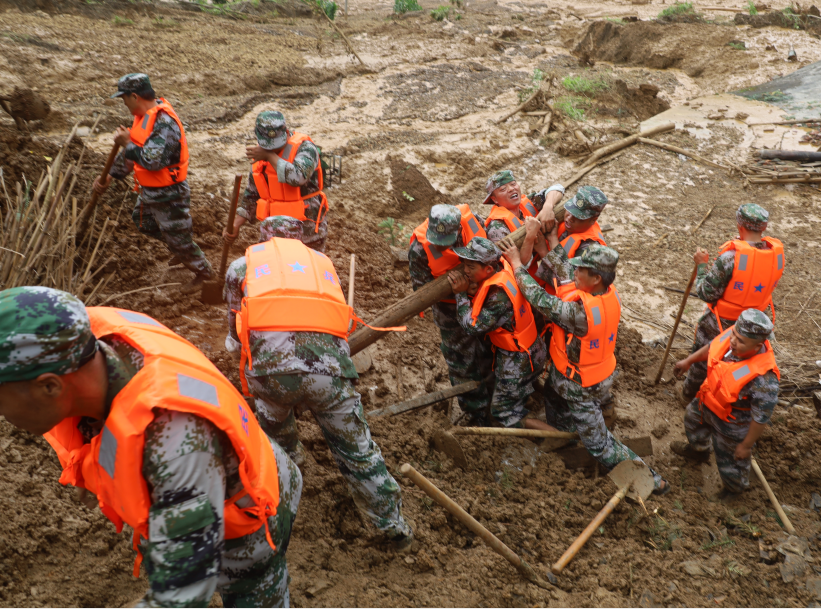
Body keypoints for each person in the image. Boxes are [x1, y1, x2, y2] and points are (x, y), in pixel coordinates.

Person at [0, 286, 301, 607]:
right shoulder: (88, 352)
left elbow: (183, 594)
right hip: (215, 476)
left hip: (254, 517)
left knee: (251, 589)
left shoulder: (173, 442)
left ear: (49, 386)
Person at [225, 216, 413, 550]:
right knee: (358, 452)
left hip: (272, 375)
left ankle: (285, 488)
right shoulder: (323, 265)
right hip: (329, 374)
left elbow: (234, 328)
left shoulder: (243, 266)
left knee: (272, 440)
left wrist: (241, 346)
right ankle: (391, 526)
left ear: (263, 238)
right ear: (302, 239)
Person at [502, 241, 669, 494]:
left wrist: (516, 264)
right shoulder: (606, 293)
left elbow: (539, 298)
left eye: (581, 270)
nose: (574, 273)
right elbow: (566, 270)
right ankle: (565, 438)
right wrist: (545, 242)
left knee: (599, 444)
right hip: (573, 375)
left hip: (582, 386)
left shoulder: (581, 314)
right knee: (554, 399)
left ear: (596, 277)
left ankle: (652, 480)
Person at [93, 73, 212, 289]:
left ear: (135, 96)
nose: (124, 103)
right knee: (143, 222)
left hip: (169, 193)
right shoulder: (142, 118)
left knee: (176, 236)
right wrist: (110, 175)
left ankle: (204, 272)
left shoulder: (164, 123)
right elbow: (134, 153)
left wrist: (127, 143)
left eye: (124, 98)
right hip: (151, 191)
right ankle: (182, 247)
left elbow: (152, 160)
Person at [670, 309, 780, 503]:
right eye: (734, 335)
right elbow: (713, 347)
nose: (734, 342)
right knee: (692, 420)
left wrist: (746, 445)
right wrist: (689, 361)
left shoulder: (764, 379)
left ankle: (734, 490)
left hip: (733, 422)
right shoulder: (733, 339)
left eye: (741, 341)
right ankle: (699, 451)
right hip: (708, 400)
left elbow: (760, 418)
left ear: (757, 346)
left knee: (730, 459)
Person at [680, 203, 784, 401]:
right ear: (763, 228)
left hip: (721, 323)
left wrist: (702, 266)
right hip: (753, 325)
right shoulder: (775, 255)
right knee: (737, 364)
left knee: (705, 361)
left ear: (740, 226)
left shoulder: (730, 258)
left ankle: (688, 397)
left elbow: (705, 293)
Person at [445, 237, 549, 429]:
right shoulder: (504, 269)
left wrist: (460, 294)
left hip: (518, 361)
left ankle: (553, 436)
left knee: (502, 412)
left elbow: (472, 327)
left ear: (488, 270)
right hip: (532, 349)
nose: (465, 271)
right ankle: (521, 399)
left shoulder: (498, 298)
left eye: (471, 267)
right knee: (517, 391)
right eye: (464, 265)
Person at [407, 204, 495, 424]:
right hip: (449, 310)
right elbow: (423, 291)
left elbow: (492, 252)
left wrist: (475, 285)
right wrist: (458, 292)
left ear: (458, 229)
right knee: (461, 361)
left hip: (485, 299)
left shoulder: (473, 221)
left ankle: (496, 403)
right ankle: (475, 413)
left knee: (490, 351)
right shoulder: (420, 248)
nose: (441, 244)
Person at [224, 111, 329, 252]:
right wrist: (235, 225)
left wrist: (268, 155)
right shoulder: (260, 156)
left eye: (276, 144)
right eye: (268, 146)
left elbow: (297, 177)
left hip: (307, 233)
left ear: (286, 132)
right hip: (273, 232)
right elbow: (252, 196)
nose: (273, 148)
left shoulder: (306, 149)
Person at [482, 169, 564, 268]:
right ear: (495, 199)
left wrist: (547, 207)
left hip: (547, 263)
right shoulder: (497, 227)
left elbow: (558, 188)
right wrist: (530, 237)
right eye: (503, 189)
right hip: (527, 278)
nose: (511, 189)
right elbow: (515, 266)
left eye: (513, 184)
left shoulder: (528, 203)